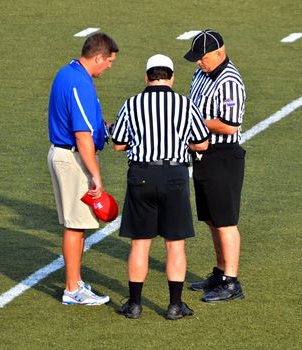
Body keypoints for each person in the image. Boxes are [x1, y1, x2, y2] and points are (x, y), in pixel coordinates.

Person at [111, 54, 209, 319]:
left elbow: (119, 144)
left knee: (140, 244)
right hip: (174, 176)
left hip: (141, 175)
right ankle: (175, 305)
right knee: (175, 244)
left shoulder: (132, 104)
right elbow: (202, 142)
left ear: (147, 77)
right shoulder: (184, 104)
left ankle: (134, 304)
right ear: (172, 77)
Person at [47, 32, 119, 305]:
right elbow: (82, 134)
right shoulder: (80, 82)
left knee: (77, 225)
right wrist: (95, 175)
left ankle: (74, 283)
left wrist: (107, 128)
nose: (109, 66)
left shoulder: (68, 73)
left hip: (67, 154)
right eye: (109, 61)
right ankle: (72, 289)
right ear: (98, 57)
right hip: (73, 158)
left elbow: (86, 124)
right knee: (76, 226)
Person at [184, 29, 246, 302]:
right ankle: (220, 272)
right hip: (202, 155)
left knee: (225, 221)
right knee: (211, 218)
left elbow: (229, 125)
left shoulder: (230, 81)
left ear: (220, 52)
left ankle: (232, 282)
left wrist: (194, 121)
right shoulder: (201, 74)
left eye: (203, 57)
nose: (199, 62)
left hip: (222, 154)